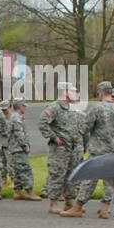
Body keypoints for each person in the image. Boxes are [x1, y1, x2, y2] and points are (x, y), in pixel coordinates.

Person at [63, 81, 114, 218]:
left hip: (98, 150)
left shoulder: (97, 108)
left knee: (89, 178)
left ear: (101, 93)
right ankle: (105, 209)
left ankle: (78, 206)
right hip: (113, 150)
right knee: (110, 181)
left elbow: (84, 127)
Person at [39, 81, 82, 214]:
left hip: (72, 148)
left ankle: (69, 201)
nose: (76, 93)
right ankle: (53, 203)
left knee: (71, 174)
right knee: (57, 174)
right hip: (60, 149)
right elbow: (42, 123)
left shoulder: (72, 108)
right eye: (73, 91)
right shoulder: (54, 107)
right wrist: (54, 137)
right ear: (65, 92)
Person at [7, 101, 40, 200]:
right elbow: (19, 134)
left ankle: (18, 192)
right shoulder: (17, 117)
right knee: (25, 169)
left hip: (14, 147)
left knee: (18, 170)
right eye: (24, 106)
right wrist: (25, 146)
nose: (25, 108)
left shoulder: (13, 116)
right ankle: (30, 192)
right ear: (20, 107)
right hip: (18, 148)